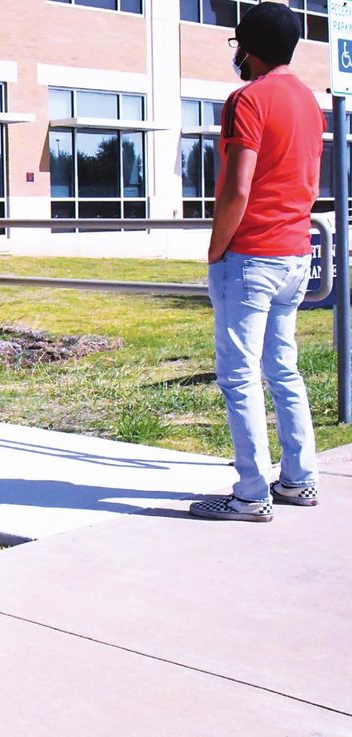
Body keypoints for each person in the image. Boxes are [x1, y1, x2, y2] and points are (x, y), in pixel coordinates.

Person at [189, 3, 323, 523]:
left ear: (251, 48)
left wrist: (216, 248)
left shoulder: (248, 98)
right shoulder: (308, 101)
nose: (236, 55)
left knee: (239, 374)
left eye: (237, 45)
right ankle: (299, 480)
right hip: (293, 253)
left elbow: (236, 187)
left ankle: (249, 493)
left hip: (250, 255)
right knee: (282, 369)